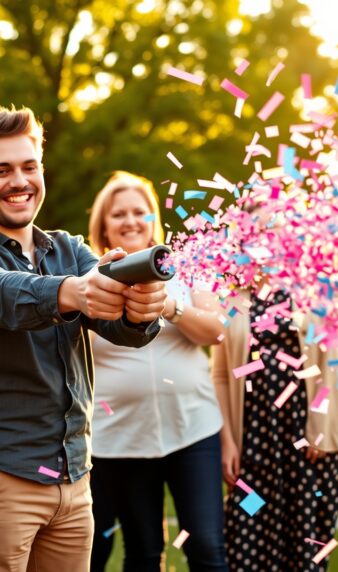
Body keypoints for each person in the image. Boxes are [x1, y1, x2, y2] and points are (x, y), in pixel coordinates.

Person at [0, 107, 168, 571]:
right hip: (1, 479)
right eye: (1, 170)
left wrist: (140, 309)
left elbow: (121, 328)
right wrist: (71, 290)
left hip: (75, 479)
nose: (19, 180)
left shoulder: (68, 249)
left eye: (28, 166)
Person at [86, 172, 227, 572]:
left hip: (193, 430)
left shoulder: (189, 268)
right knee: (144, 553)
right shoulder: (90, 277)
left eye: (140, 211)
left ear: (153, 219)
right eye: (118, 214)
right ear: (103, 224)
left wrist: (168, 306)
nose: (130, 220)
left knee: (206, 547)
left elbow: (217, 331)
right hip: (121, 441)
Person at [212, 258, 338, 568]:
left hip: (311, 442)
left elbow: (334, 360)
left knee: (306, 547)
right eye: (257, 229)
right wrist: (227, 442)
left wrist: (320, 424)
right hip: (253, 443)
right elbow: (221, 376)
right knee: (246, 540)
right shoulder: (231, 297)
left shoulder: (318, 286)